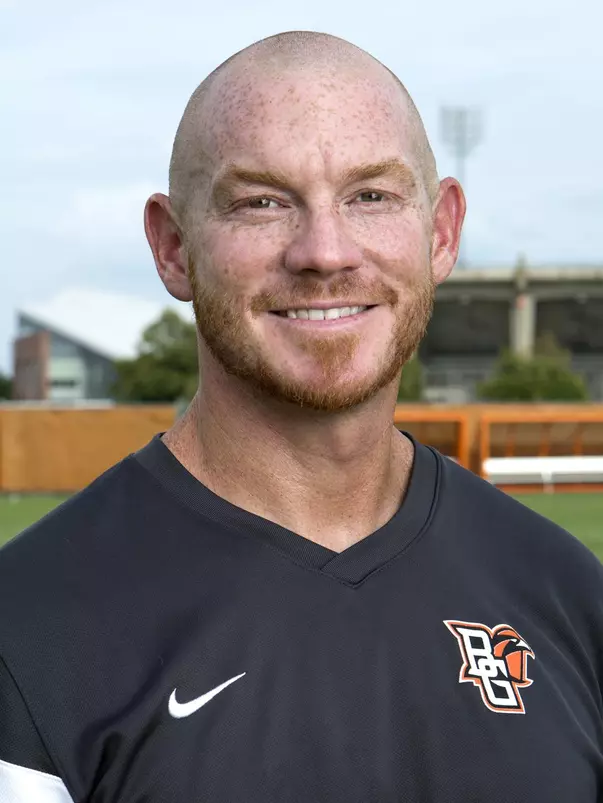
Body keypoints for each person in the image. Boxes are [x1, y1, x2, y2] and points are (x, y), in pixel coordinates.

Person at [0, 30, 602, 803]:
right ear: (174, 247)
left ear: (441, 232)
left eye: (371, 195)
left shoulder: (566, 595)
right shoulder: (29, 632)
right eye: (261, 202)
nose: (323, 252)